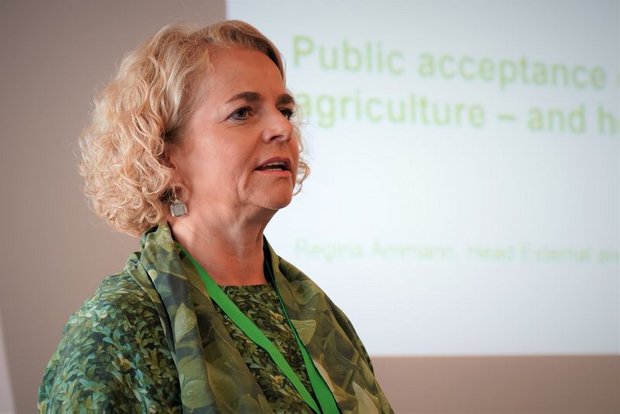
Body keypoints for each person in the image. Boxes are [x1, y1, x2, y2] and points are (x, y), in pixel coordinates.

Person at [38, 20, 393, 413]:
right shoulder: (117, 327)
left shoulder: (318, 312)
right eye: (242, 112)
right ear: (163, 154)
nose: (282, 128)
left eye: (285, 110)